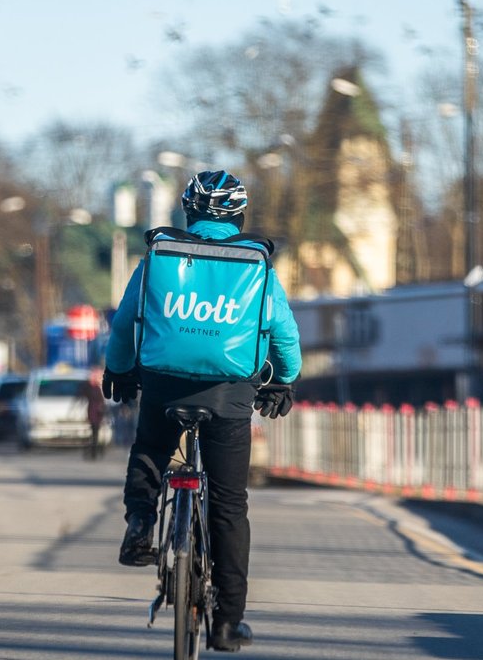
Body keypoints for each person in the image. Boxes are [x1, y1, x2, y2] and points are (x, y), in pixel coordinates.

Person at [102, 169, 301, 652]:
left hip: (166, 385)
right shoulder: (257, 264)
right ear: (239, 215)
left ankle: (140, 524)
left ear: (188, 213)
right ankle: (228, 623)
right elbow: (284, 333)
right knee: (230, 506)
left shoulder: (160, 256)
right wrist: (285, 379)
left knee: (151, 447)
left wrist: (120, 371)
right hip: (230, 392)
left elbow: (127, 321)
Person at [84, 367, 107, 460]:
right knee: (95, 433)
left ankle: (94, 451)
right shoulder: (92, 388)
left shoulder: (93, 388)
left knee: (95, 433)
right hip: (95, 413)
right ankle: (94, 451)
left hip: (95, 413)